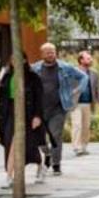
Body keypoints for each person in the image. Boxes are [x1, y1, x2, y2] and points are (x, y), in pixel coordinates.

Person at [0, 53, 47, 188]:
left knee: (30, 145)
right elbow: (1, 99)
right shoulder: (7, 77)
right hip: (10, 113)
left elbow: (39, 98)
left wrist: (37, 116)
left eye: (18, 59)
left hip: (27, 112)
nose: (15, 62)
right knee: (10, 143)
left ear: (24, 60)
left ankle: (40, 166)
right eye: (12, 60)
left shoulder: (33, 77)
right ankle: (9, 176)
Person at [31, 43, 81, 175]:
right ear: (42, 54)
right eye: (47, 52)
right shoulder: (34, 68)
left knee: (55, 135)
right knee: (39, 138)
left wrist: (77, 90)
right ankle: (47, 154)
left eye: (52, 52)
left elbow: (83, 76)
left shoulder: (63, 67)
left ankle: (56, 164)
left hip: (58, 108)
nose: (50, 54)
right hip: (39, 109)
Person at [69, 51, 99, 156]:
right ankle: (76, 147)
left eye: (90, 58)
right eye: (88, 58)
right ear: (81, 60)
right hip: (76, 103)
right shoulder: (73, 72)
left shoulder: (94, 73)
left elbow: (97, 88)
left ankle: (84, 146)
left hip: (88, 103)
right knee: (77, 125)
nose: (90, 60)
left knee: (86, 126)